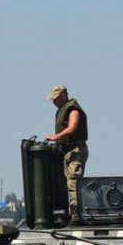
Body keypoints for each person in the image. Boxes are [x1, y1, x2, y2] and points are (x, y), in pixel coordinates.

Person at [45, 85, 89, 224]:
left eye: (56, 99)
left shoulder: (73, 109)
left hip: (75, 150)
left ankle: (77, 214)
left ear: (64, 95)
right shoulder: (61, 110)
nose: (54, 102)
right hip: (67, 150)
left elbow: (72, 128)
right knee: (69, 181)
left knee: (73, 181)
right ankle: (72, 213)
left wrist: (55, 137)